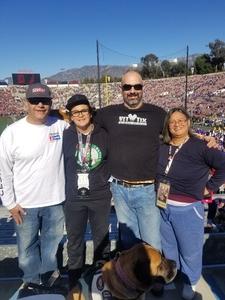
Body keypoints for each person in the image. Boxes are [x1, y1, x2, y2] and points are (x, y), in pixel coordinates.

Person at [0, 83, 68, 296]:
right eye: (35, 101)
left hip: (56, 200)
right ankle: (31, 282)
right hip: (25, 204)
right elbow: (4, 171)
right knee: (26, 251)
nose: (40, 105)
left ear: (51, 103)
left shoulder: (60, 126)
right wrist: (10, 203)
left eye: (45, 101)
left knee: (52, 246)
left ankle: (48, 280)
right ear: (26, 103)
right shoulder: (11, 133)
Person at [157, 107, 225, 300]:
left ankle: (190, 284)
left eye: (181, 120)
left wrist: (209, 188)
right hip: (162, 204)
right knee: (169, 248)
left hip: (187, 208)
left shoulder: (201, 146)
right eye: (172, 121)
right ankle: (173, 278)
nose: (176, 124)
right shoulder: (163, 145)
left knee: (190, 251)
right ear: (167, 126)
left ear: (188, 123)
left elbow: (223, 165)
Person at [96, 70, 166, 254]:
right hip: (119, 190)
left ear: (143, 88)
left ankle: (155, 280)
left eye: (137, 86)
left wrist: (203, 138)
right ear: (121, 89)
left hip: (148, 190)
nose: (132, 91)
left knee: (152, 242)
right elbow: (83, 121)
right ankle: (132, 281)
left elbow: (179, 132)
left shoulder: (158, 114)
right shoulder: (108, 113)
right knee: (128, 244)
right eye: (127, 87)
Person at [63, 94, 112, 290]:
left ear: (91, 112)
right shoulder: (65, 134)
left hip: (100, 196)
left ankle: (101, 280)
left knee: (102, 241)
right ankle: (75, 282)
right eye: (76, 112)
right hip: (74, 198)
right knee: (74, 241)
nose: (80, 115)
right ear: (71, 116)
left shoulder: (105, 134)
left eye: (83, 110)